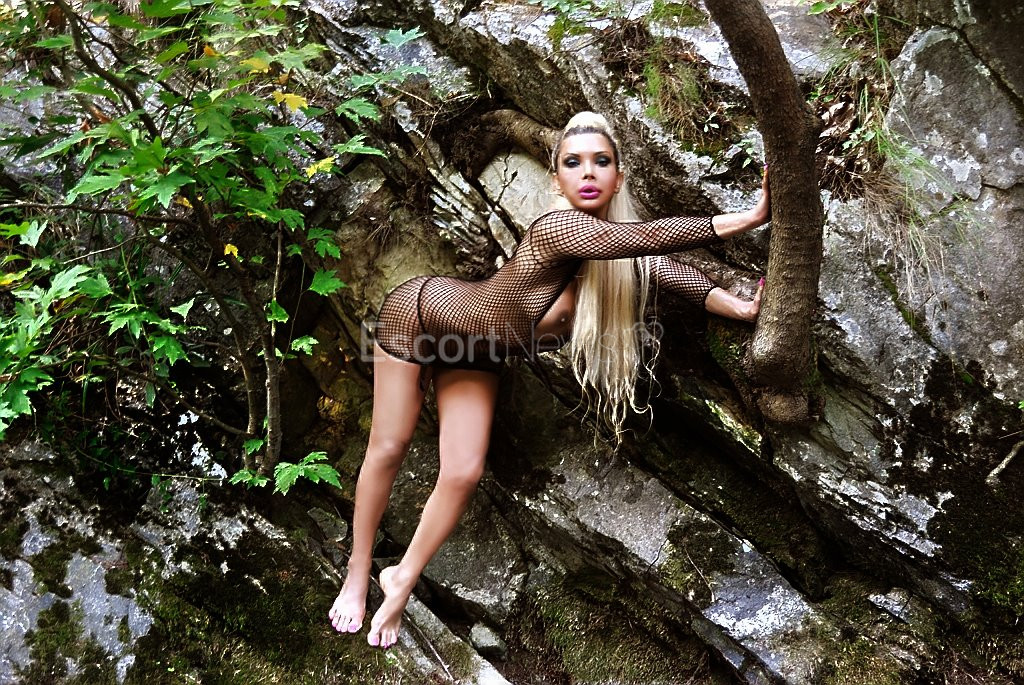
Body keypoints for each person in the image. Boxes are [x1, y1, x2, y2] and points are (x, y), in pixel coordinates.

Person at [328, 111, 771, 649]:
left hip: (477, 353)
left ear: (618, 178)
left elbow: (668, 270)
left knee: (464, 472)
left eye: (601, 162)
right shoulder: (556, 229)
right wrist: (748, 218)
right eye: (573, 163)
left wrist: (740, 308)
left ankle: (400, 577)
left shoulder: (616, 262)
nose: (588, 173)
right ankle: (358, 570)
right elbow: (651, 237)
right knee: (389, 446)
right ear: (557, 180)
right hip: (421, 317)